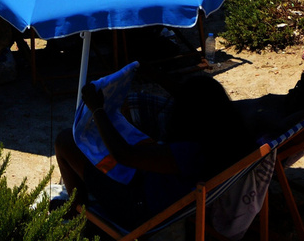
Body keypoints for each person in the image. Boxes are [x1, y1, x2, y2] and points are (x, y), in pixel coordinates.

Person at [55, 70, 259, 226]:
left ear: (192, 114)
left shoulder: (190, 153)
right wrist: (156, 74)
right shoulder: (228, 138)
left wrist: (97, 109)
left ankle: (75, 215)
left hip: (137, 209)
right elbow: (196, 98)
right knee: (124, 137)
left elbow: (124, 155)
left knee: (65, 141)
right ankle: (80, 203)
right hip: (158, 194)